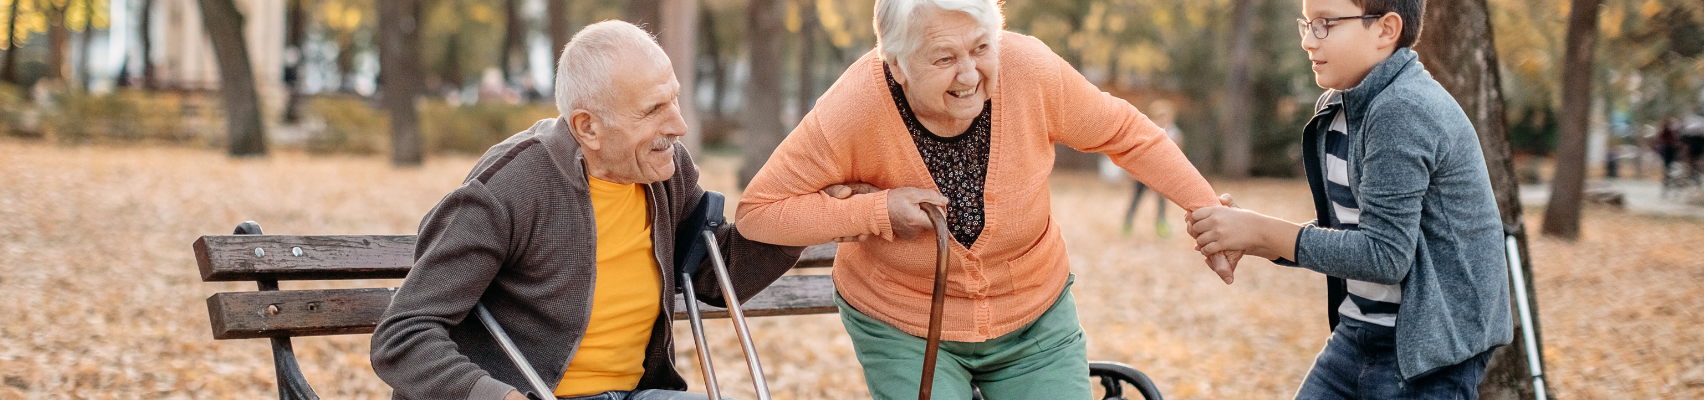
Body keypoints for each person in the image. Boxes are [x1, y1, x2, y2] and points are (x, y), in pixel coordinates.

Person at [734, 1, 1233, 398]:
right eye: (944, 58)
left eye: (981, 48)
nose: (970, 74)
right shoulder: (855, 108)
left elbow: (1127, 134)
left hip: (1034, 315)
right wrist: (875, 212)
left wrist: (1207, 211)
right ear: (898, 65)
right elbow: (758, 213)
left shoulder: (1030, 71)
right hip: (905, 326)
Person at [369, 20, 801, 400]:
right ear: (588, 127)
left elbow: (714, 275)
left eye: (674, 99)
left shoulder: (664, 171)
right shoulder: (510, 188)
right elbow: (403, 335)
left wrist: (809, 216)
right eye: (653, 110)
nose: (678, 125)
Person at [1184, 0, 1513, 398]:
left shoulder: (1402, 109)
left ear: (1385, 30)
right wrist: (1251, 236)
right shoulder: (1343, 107)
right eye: (1306, 23)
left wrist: (1264, 232)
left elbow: (1385, 255)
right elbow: (1353, 236)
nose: (1307, 40)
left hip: (1428, 358)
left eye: (1325, 24)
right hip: (1357, 335)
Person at [1121, 100, 1186, 238]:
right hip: (1144, 172)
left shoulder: (1175, 133)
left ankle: (1161, 225)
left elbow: (1178, 156)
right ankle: (1127, 222)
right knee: (1136, 198)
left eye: (1166, 116)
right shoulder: (1148, 130)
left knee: (1162, 201)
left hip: (1162, 173)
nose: (1164, 119)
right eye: (1161, 116)